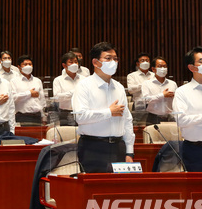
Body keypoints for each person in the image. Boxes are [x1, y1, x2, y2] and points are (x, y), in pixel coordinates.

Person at [72, 42, 135, 173]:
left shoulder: (119, 87)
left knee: (117, 191)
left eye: (115, 59)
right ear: (95, 62)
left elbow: (127, 120)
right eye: (108, 58)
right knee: (94, 191)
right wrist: (109, 112)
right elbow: (80, 117)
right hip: (93, 148)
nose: (113, 62)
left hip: (118, 147)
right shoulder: (84, 86)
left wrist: (130, 151)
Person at [141, 56, 177, 125]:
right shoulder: (146, 83)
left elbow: (176, 101)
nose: (163, 69)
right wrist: (162, 95)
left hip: (169, 118)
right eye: (160, 66)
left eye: (165, 66)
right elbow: (145, 100)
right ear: (153, 69)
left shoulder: (172, 83)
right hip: (153, 117)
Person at [10, 55, 45, 126]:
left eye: (30, 64)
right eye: (25, 64)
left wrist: (43, 116)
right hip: (22, 116)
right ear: (19, 67)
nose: (28, 66)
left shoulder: (37, 81)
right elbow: (12, 98)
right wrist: (29, 93)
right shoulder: (14, 81)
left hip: (37, 116)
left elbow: (42, 100)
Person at [52, 51, 83, 126]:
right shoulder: (58, 80)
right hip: (65, 113)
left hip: (81, 112)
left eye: (76, 62)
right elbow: (56, 97)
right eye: (71, 62)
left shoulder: (84, 79)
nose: (74, 64)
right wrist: (74, 92)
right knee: (67, 135)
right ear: (64, 65)